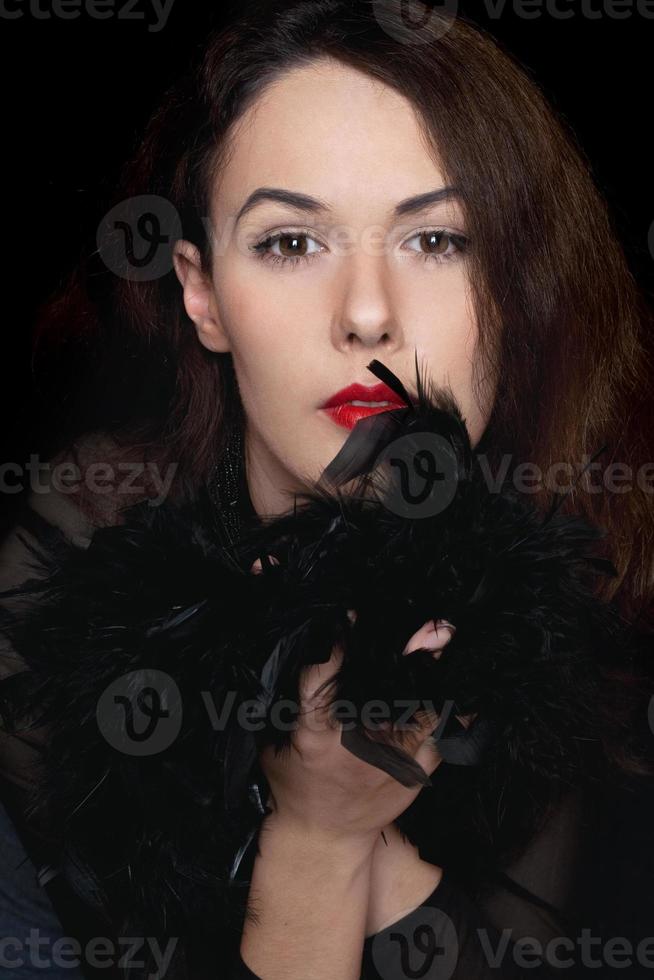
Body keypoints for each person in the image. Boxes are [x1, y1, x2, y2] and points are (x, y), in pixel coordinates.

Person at [1, 1, 653, 978]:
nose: (366, 314)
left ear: (512, 289)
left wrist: (372, 845)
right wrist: (317, 843)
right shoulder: (52, 605)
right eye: (291, 243)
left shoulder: (605, 588)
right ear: (202, 292)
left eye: (435, 240)